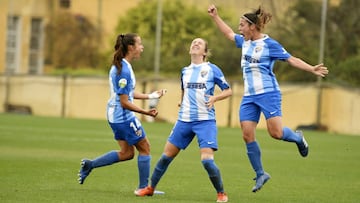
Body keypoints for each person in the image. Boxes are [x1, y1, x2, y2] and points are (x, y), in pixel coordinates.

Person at [208, 5, 329, 193]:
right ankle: (260, 173)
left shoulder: (269, 44)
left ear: (252, 27)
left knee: (276, 133)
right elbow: (229, 34)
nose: (239, 29)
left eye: (242, 25)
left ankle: (298, 138)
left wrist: (311, 68)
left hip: (268, 94)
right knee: (247, 133)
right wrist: (216, 17)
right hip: (249, 97)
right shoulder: (244, 42)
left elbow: (290, 59)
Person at [134, 38, 232, 203]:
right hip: (184, 120)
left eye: (199, 44)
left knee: (207, 161)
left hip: (205, 121)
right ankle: (150, 189)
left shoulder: (212, 69)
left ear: (205, 52)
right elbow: (184, 90)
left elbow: (228, 91)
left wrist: (215, 98)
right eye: (193, 42)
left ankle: (221, 193)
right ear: (189, 50)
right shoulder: (185, 71)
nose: (195, 44)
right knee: (165, 157)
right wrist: (182, 101)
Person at [77, 33, 166, 193]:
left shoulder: (123, 66)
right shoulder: (123, 70)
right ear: (131, 47)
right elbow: (125, 102)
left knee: (126, 153)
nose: (142, 47)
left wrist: (151, 96)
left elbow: (127, 94)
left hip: (115, 115)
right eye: (140, 44)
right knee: (145, 147)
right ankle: (143, 188)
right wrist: (145, 112)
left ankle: (90, 164)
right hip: (122, 116)